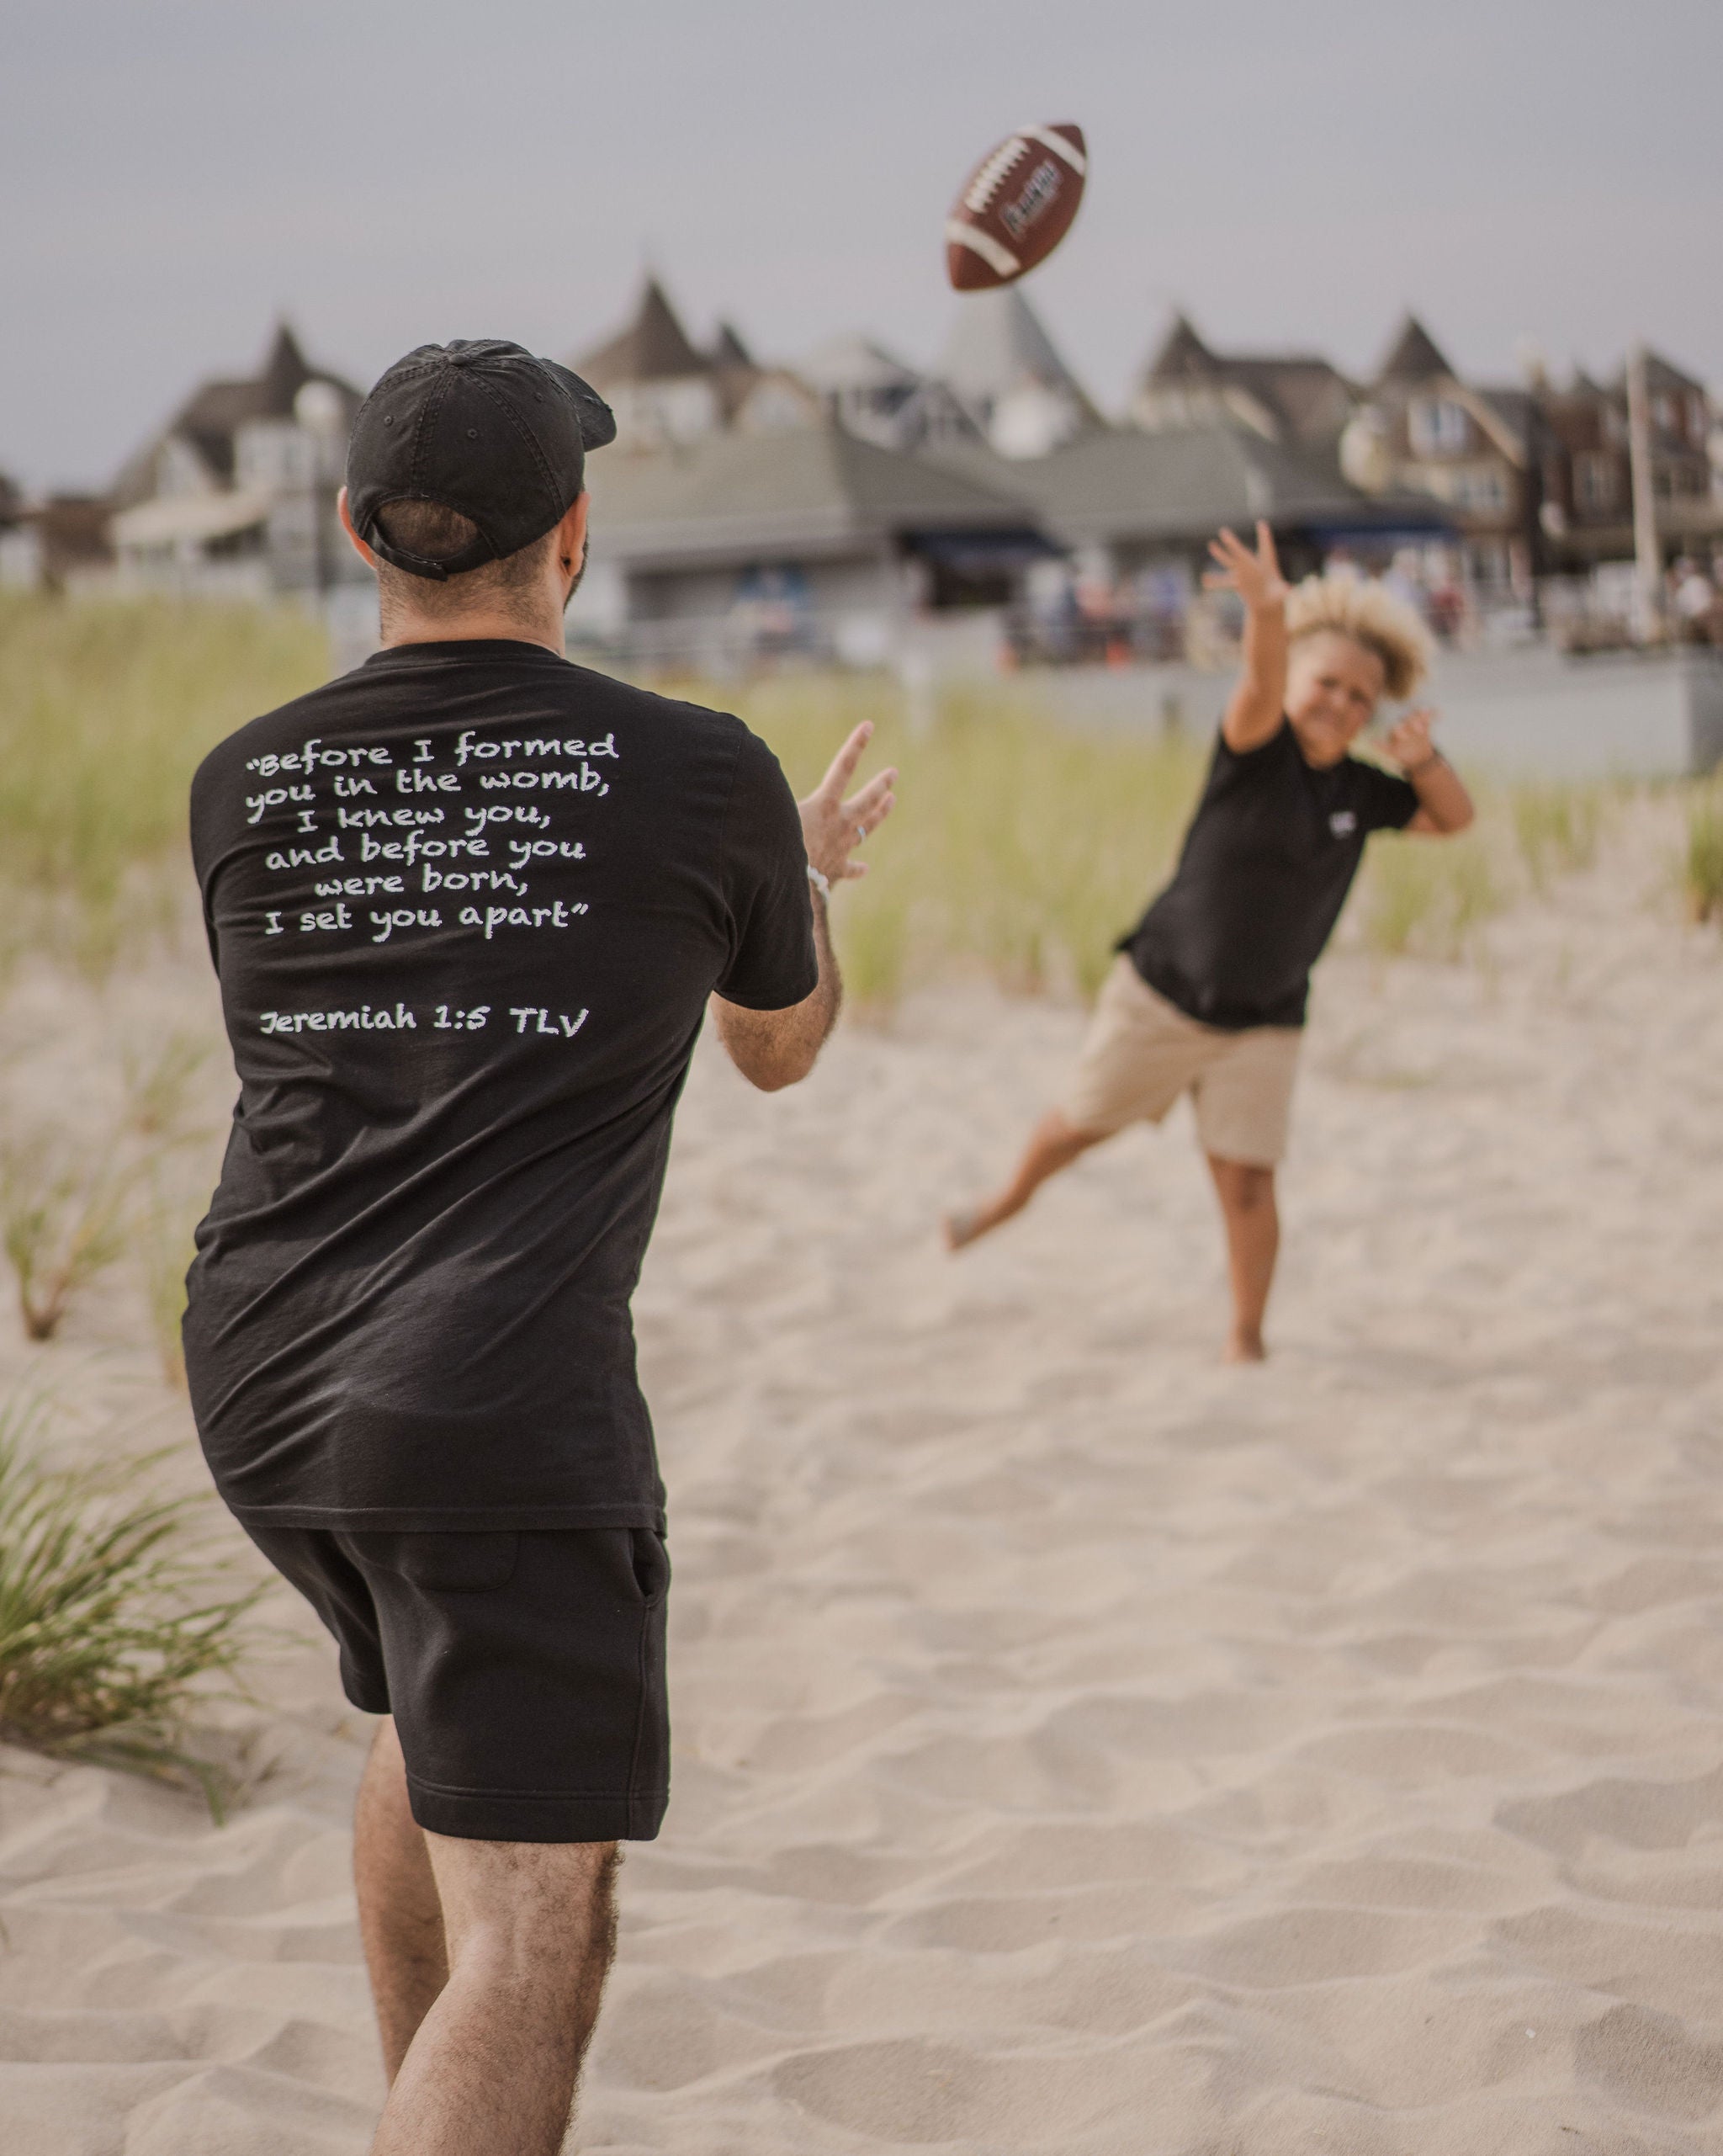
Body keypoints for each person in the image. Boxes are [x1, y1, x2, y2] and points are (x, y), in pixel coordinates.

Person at [183, 339, 895, 2156]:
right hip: (489, 1391)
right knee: (539, 1926)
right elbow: (776, 1048)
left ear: (359, 535)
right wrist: (794, 883)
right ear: (572, 537)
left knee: (428, 1719)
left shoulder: (240, 785)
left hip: (261, 1376)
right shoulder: (699, 775)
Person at [944, 521, 1472, 1361]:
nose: (1337, 703)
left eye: (1357, 697)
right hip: (1160, 994)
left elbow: (1452, 820)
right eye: (1324, 682)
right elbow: (1259, 678)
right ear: (1294, 674)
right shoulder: (1252, 750)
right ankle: (1003, 1201)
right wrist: (1267, 609)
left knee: (1247, 1186)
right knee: (1076, 1126)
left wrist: (1423, 761)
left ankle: (1245, 1338)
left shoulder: (1363, 792)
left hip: (1263, 1020)